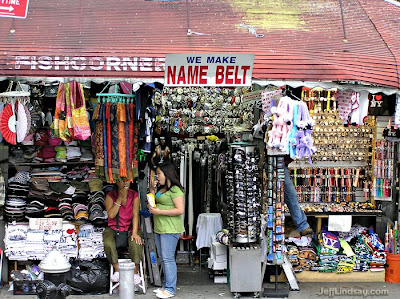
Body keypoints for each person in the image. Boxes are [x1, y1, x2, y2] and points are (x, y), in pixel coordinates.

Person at [148, 162, 185, 299]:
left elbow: (180, 210)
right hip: (160, 227)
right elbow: (153, 203)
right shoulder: (161, 189)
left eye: (159, 173)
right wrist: (152, 189)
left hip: (170, 228)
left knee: (168, 259)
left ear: (167, 174)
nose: (157, 176)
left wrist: (159, 211)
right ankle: (165, 286)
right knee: (163, 258)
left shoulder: (176, 190)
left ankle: (170, 289)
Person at [103, 180, 143, 285]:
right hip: (114, 228)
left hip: (130, 227)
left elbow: (135, 215)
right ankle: (117, 270)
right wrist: (120, 198)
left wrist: (134, 232)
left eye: (127, 181)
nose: (125, 183)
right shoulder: (111, 195)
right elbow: (111, 215)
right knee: (108, 242)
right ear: (116, 182)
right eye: (121, 181)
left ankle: (135, 272)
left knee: (136, 242)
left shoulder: (134, 195)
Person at [284, 157, 313, 236]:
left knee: (291, 196)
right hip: (275, 163)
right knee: (290, 196)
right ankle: (302, 226)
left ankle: (302, 226)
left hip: (281, 165)